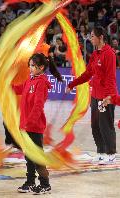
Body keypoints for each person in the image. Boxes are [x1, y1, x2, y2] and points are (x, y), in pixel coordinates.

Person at [13, 53, 63, 194]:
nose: (30, 68)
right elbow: (20, 89)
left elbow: (38, 105)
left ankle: (45, 184)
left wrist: (29, 123)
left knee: (37, 156)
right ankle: (30, 182)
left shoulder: (40, 82)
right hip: (25, 124)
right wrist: (6, 86)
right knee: (29, 156)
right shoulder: (31, 79)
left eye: (33, 66)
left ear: (41, 67)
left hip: (34, 127)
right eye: (29, 65)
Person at [66, 26, 117, 165]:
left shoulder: (110, 54)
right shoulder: (95, 54)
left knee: (105, 125)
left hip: (106, 96)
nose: (91, 38)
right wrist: (73, 84)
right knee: (95, 125)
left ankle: (111, 153)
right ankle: (101, 152)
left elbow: (111, 78)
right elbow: (88, 74)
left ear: (101, 37)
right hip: (95, 95)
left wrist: (108, 97)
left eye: (93, 36)